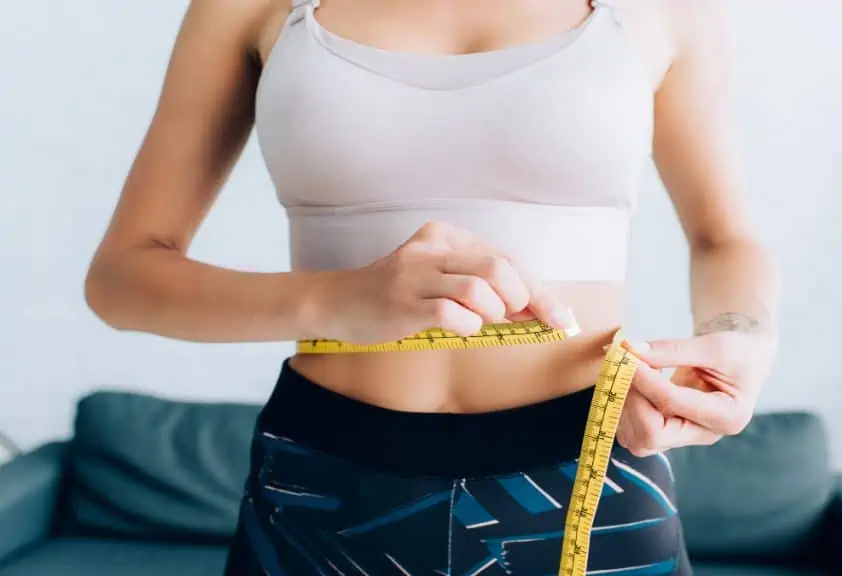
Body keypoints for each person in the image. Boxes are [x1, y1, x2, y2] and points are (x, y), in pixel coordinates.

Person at [84, 0, 780, 574]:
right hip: (327, 470)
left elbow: (725, 240)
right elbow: (122, 277)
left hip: (593, 467)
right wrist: (337, 300)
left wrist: (741, 341)